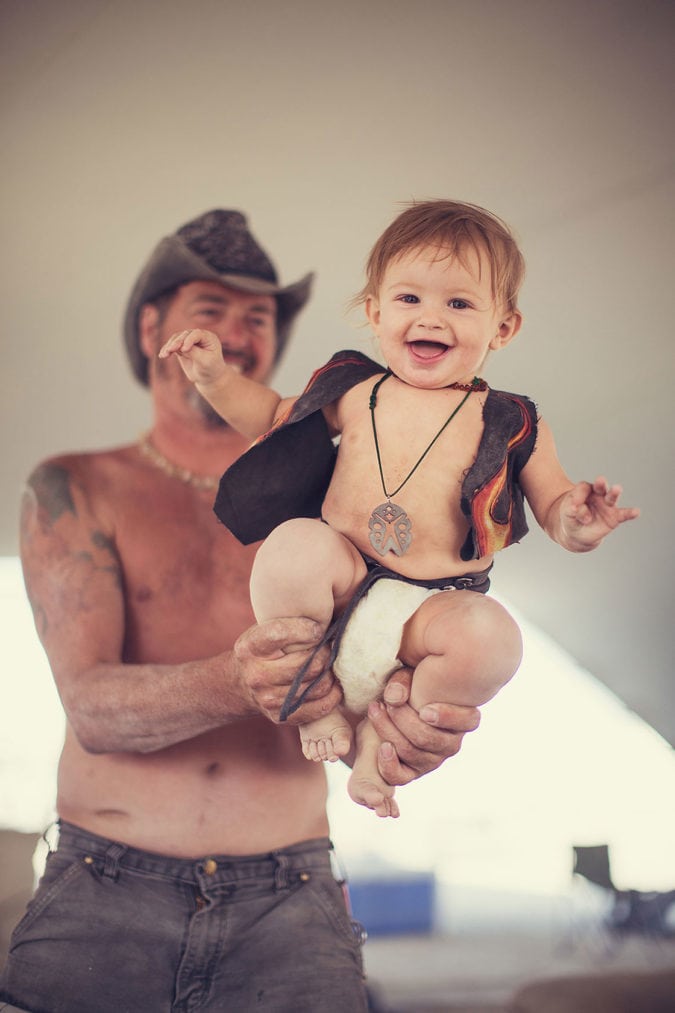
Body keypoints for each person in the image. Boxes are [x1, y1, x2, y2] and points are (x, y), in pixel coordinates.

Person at [0, 209, 481, 1013]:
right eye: (210, 311)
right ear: (153, 325)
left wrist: (409, 725)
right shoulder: (74, 485)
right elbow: (93, 712)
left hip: (290, 888)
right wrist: (240, 679)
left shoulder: (349, 495)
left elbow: (377, 671)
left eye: (255, 317)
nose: (235, 333)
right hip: (103, 885)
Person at [159, 200, 639, 820]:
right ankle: (316, 700)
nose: (430, 317)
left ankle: (379, 750)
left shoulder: (514, 420)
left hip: (434, 604)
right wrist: (214, 377)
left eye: (459, 304)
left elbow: (554, 506)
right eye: (409, 299)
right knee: (292, 546)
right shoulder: (356, 390)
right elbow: (273, 417)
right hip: (347, 577)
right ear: (375, 312)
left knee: (494, 640)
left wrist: (580, 522)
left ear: (503, 328)